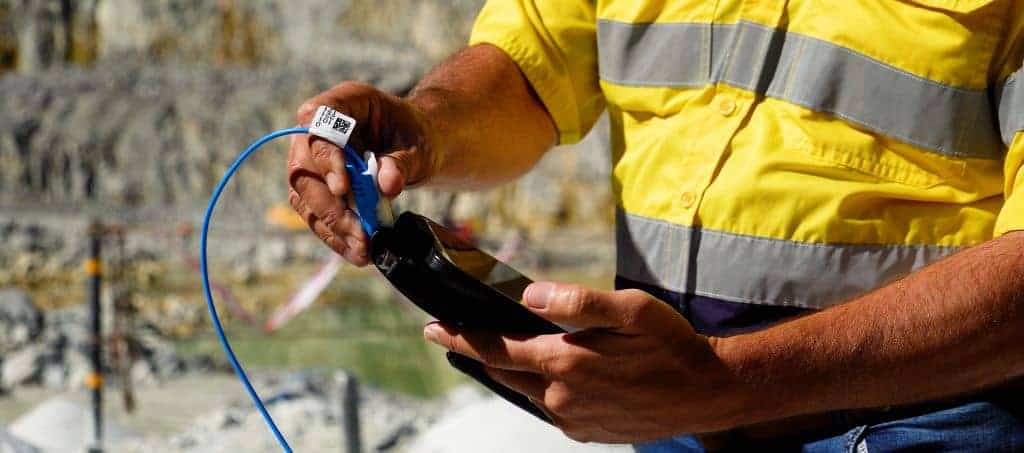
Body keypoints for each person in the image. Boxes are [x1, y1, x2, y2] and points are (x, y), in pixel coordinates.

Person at [286, 1, 1024, 450]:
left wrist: (730, 381)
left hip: (918, 428)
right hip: (668, 421)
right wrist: (425, 125)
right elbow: (532, 63)